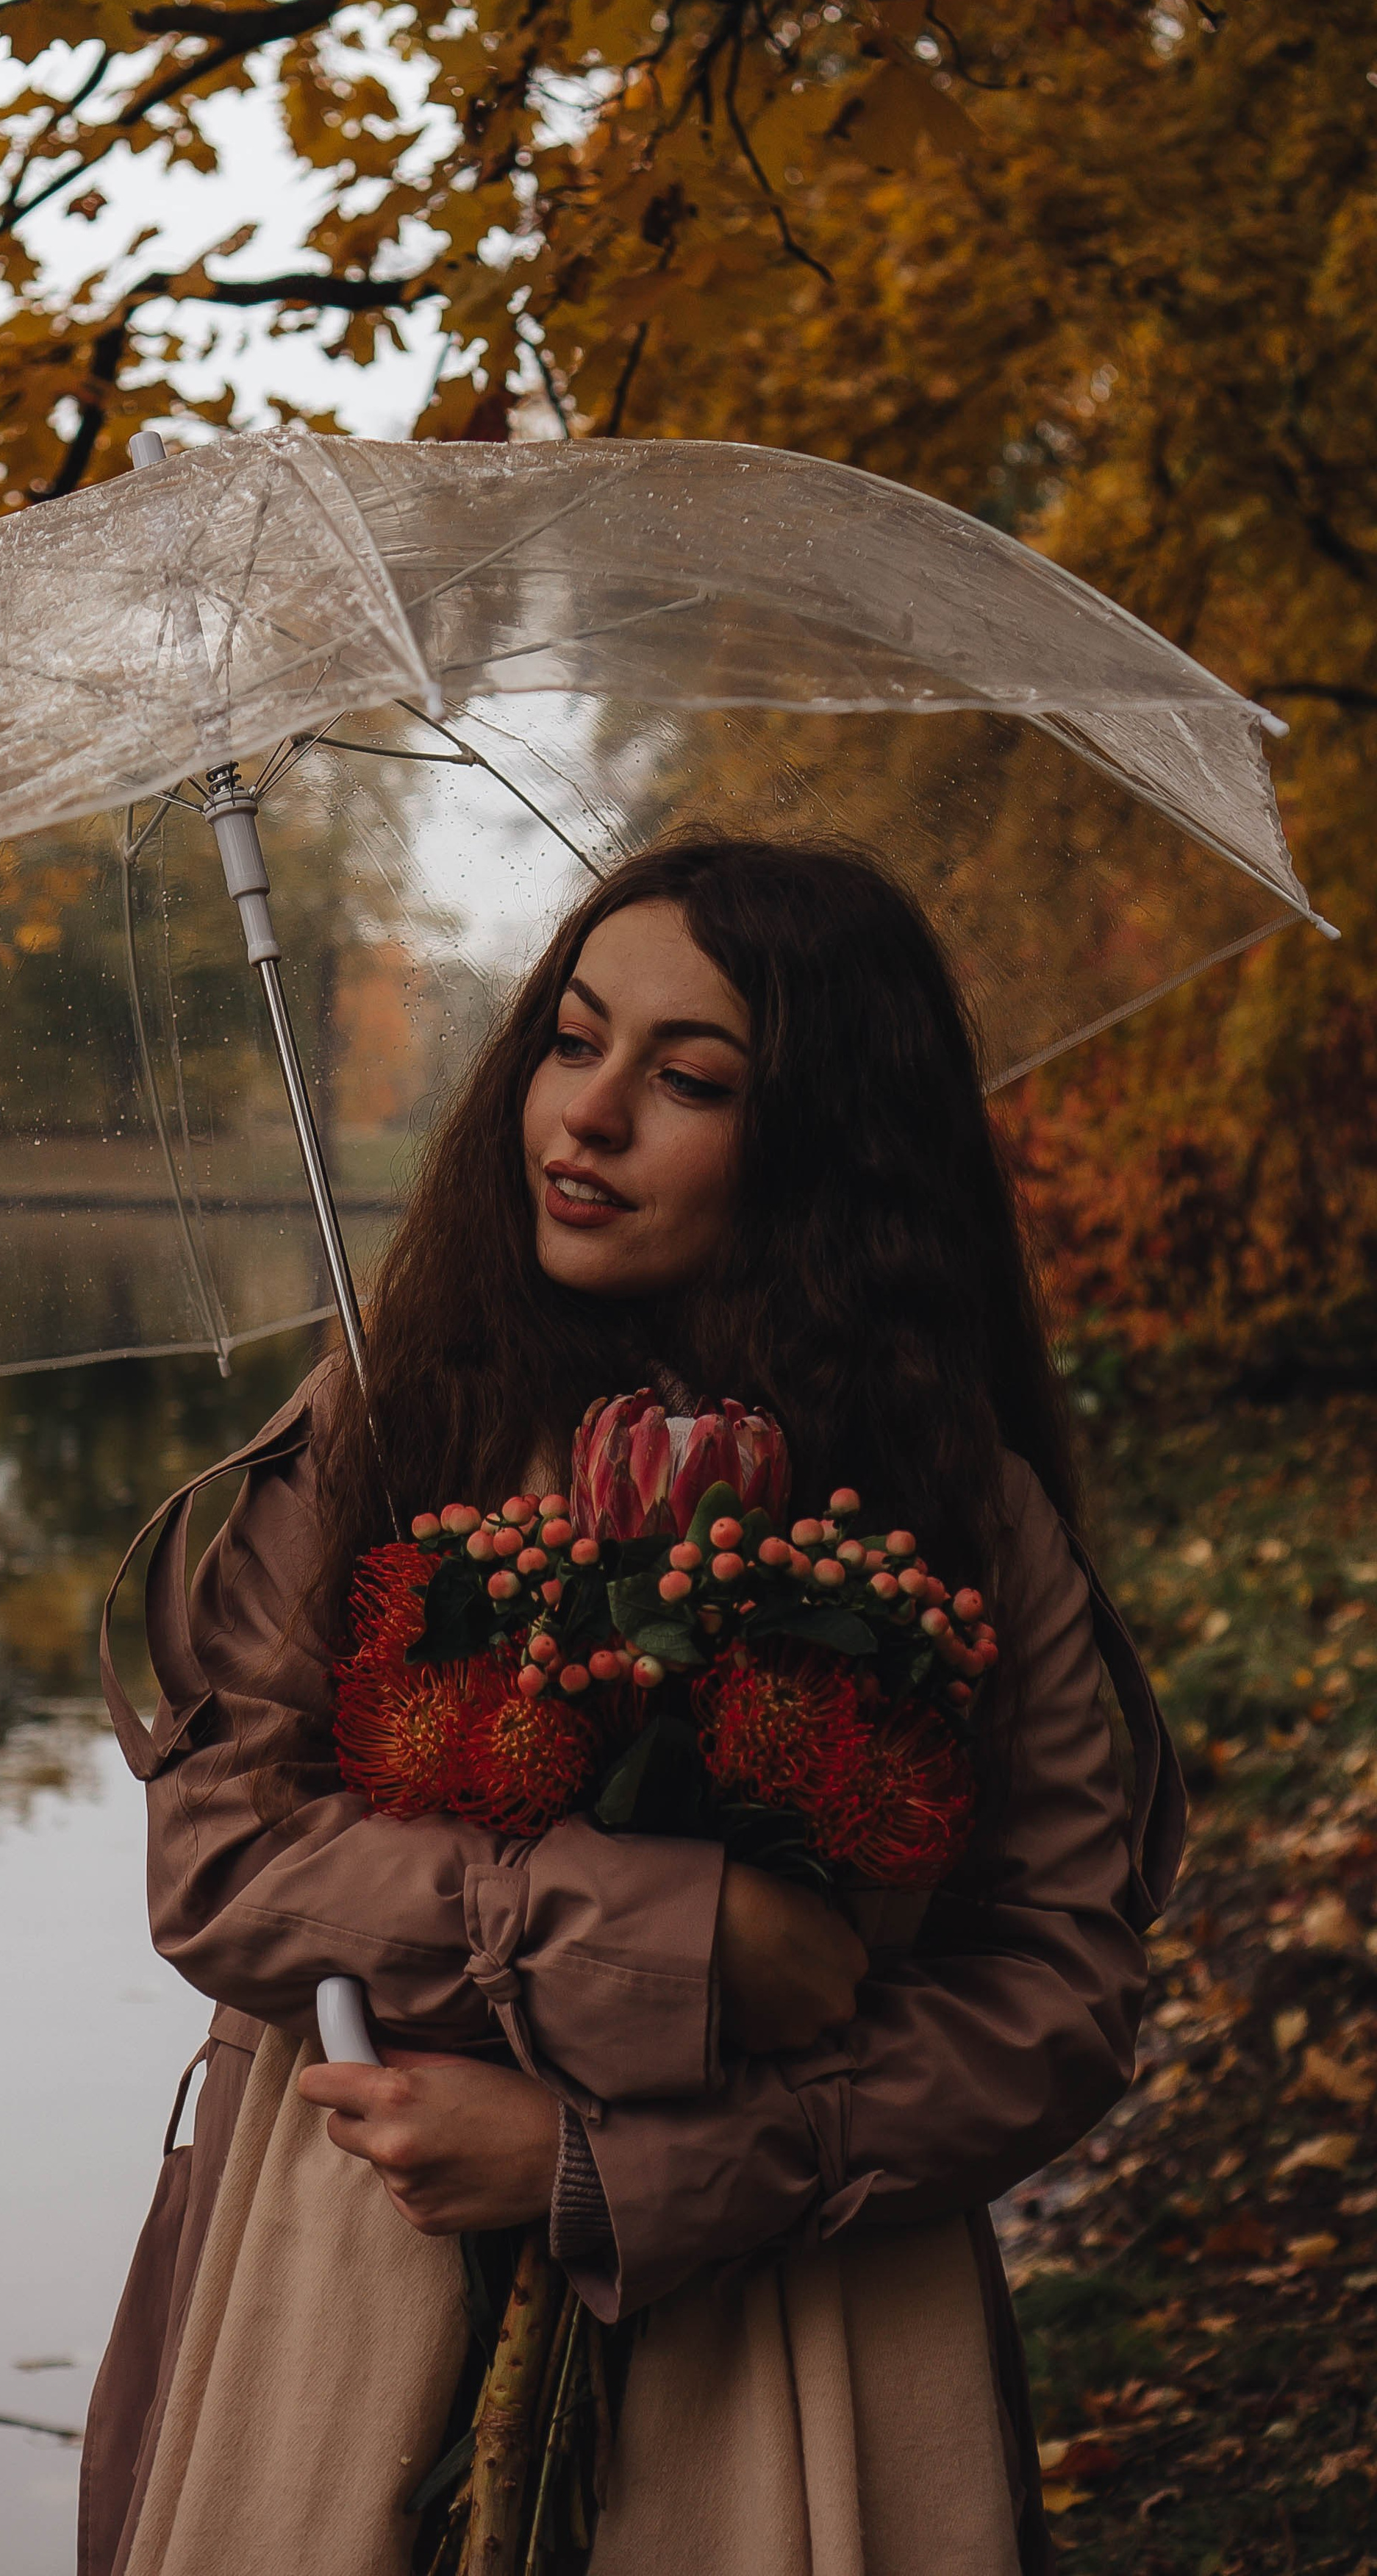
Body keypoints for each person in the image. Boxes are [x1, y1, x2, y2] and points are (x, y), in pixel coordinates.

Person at [79, 835, 1181, 2576]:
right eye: (567, 1042)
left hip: (794, 2344)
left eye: (685, 1080)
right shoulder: (387, 1415)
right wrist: (677, 1931)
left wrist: (616, 2172)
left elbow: (1058, 1987)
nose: (582, 1117)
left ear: (824, 1150)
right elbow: (218, 1862)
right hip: (355, 2276)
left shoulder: (948, 1502)